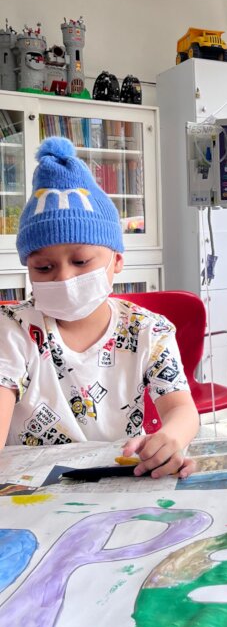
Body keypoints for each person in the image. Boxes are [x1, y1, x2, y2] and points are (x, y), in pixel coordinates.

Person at [0, 137, 199, 477]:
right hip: (33, 487)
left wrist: (170, 438)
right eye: (43, 268)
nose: (64, 277)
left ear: (117, 260)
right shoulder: (14, 328)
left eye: (80, 261)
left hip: (119, 475)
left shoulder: (149, 330)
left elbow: (182, 408)